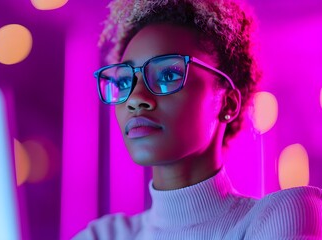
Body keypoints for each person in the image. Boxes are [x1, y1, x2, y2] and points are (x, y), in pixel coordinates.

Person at [74, 0, 322, 239]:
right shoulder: (103, 235)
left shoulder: (281, 217)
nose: (135, 98)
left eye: (168, 74)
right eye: (125, 81)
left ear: (228, 102)